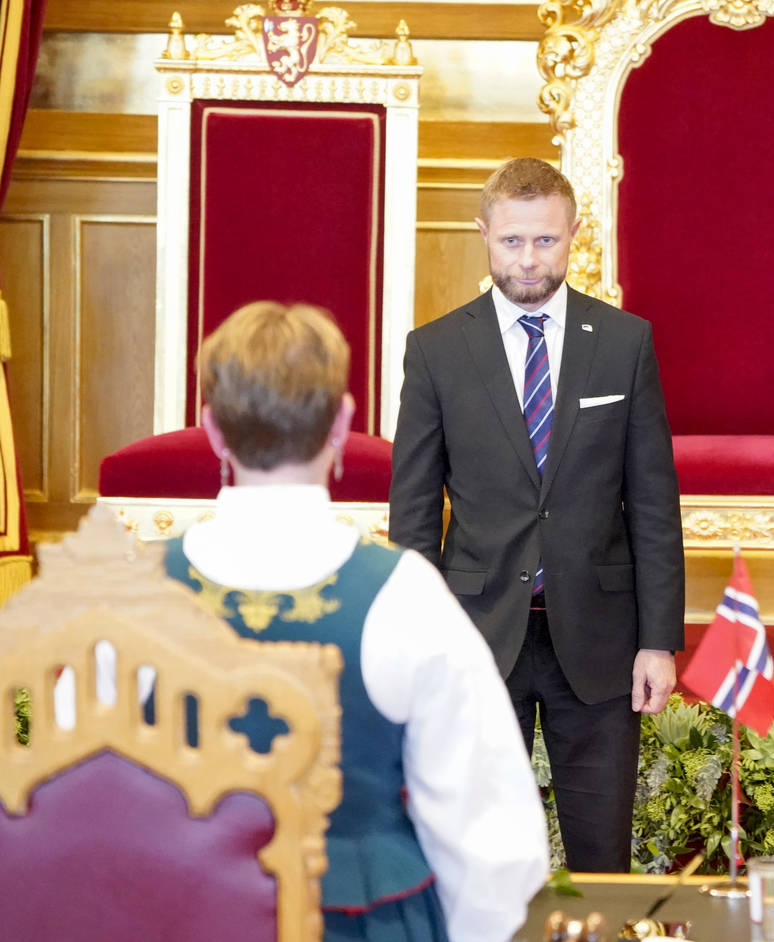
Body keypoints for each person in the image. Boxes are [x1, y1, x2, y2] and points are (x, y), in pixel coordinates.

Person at [177, 300, 549, 941]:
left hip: (184, 918)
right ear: (343, 423)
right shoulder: (406, 596)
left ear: (211, 429)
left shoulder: (131, 589)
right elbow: (495, 851)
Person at [389, 157, 685, 873]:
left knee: (601, 855)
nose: (528, 260)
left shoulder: (624, 343)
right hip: (477, 637)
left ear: (575, 235)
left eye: (545, 242)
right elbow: (415, 513)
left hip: (601, 639)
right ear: (483, 234)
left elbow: (652, 503)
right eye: (512, 242)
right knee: (480, 857)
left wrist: (658, 641)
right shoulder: (435, 351)